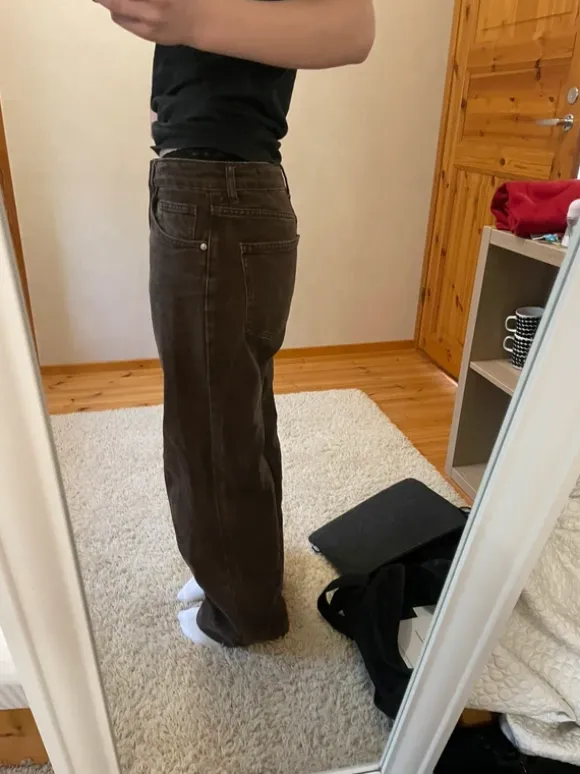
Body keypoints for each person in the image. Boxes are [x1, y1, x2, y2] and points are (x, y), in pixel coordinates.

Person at [95, 0, 375, 648]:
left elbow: (355, 29)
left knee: (211, 425)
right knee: (234, 411)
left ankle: (242, 613)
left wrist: (186, 23)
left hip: (214, 191)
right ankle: (243, 573)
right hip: (222, 185)